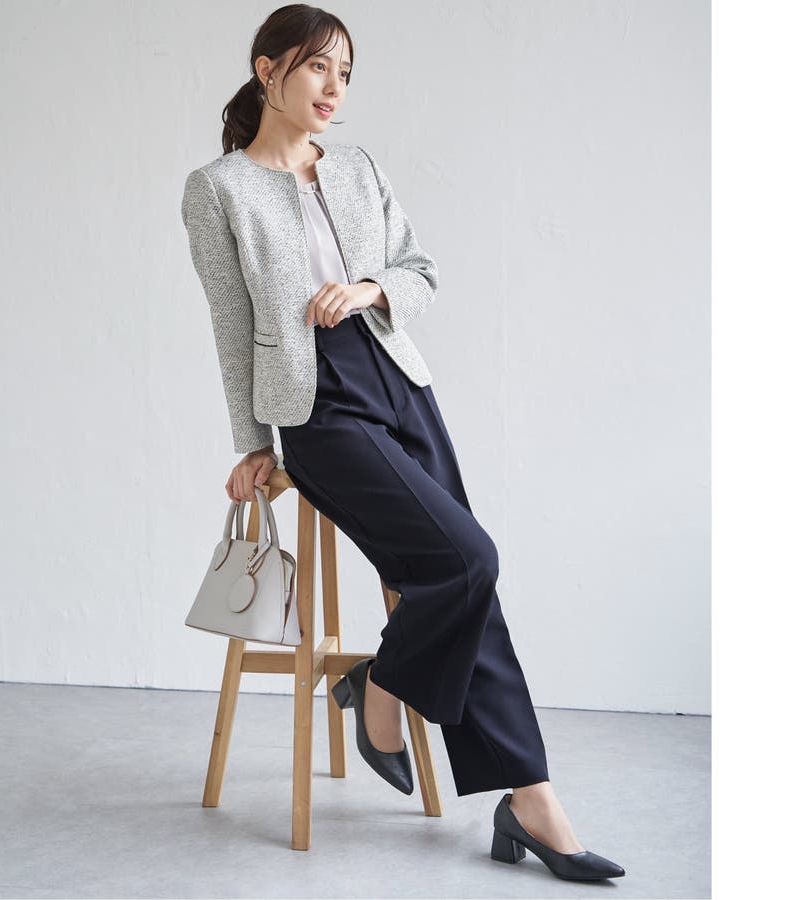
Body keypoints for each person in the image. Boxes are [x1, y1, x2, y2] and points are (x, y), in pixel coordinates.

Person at [180, 3, 625, 882]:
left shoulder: (357, 168)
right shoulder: (218, 188)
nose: (334, 88)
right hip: (316, 407)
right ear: (268, 70)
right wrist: (252, 441)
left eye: (345, 73)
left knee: (466, 580)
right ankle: (381, 690)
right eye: (318, 67)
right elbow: (230, 325)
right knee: (468, 560)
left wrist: (369, 289)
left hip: (399, 382)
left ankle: (529, 800)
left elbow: (421, 270)